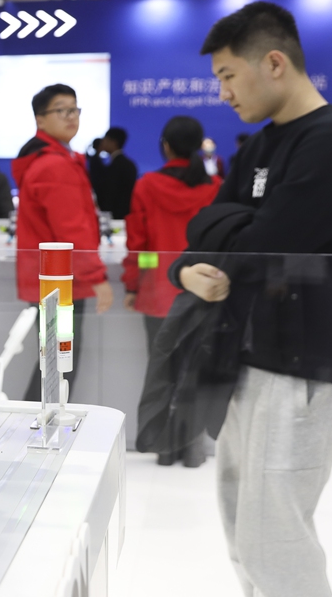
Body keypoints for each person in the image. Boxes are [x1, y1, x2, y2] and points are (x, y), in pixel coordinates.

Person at [177, 1, 332, 597]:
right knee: (242, 526)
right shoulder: (258, 148)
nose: (224, 93)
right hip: (250, 354)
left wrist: (230, 238)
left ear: (274, 62)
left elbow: (262, 246)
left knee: (276, 535)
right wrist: (200, 262)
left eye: (228, 77)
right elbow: (202, 232)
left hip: (306, 365)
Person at [121, 116, 221, 466]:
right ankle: (192, 449)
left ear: (165, 145)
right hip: (203, 293)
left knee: (161, 371)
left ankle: (164, 448)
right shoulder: (214, 187)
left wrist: (135, 284)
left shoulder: (147, 185)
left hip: (157, 292)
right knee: (195, 370)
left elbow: (139, 244)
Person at [13, 84, 113, 402]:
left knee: (55, 362)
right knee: (59, 365)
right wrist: (97, 278)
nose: (71, 116)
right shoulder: (55, 165)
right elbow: (73, 230)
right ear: (40, 120)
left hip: (54, 281)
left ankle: (38, 430)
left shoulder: (56, 159)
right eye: (62, 110)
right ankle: (36, 431)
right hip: (60, 284)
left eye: (75, 109)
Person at [87, 127, 137, 219]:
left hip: (115, 218)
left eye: (105, 140)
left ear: (113, 142)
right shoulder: (129, 164)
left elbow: (108, 193)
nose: (102, 142)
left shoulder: (117, 166)